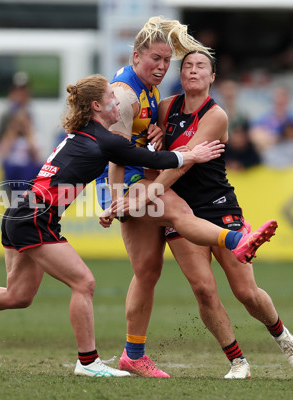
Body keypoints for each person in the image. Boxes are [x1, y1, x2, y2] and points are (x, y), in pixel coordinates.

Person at [0, 74, 224, 377]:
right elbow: (152, 159)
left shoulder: (89, 133)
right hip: (34, 215)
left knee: (18, 295)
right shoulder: (104, 138)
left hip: (23, 211)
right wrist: (191, 154)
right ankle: (88, 362)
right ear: (97, 106)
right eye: (112, 97)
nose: (117, 102)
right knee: (84, 282)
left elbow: (137, 155)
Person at [95, 16, 277, 379]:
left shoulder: (150, 90)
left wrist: (153, 137)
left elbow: (136, 138)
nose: (162, 67)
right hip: (125, 180)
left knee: (147, 270)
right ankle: (238, 239)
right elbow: (114, 154)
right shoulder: (126, 94)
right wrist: (114, 202)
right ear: (135, 57)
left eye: (167, 60)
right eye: (155, 60)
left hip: (138, 176)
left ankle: (133, 355)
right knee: (178, 210)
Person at [117, 51, 293, 379]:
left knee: (245, 292)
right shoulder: (165, 107)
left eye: (200, 66)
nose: (192, 70)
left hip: (217, 205)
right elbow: (152, 148)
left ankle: (280, 334)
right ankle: (238, 361)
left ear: (212, 77)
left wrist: (149, 192)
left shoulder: (216, 115)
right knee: (203, 289)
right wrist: (156, 139)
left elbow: (186, 161)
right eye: (187, 66)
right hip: (180, 209)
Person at [249, 86, 293, 155]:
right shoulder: (264, 118)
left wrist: (274, 139)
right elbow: (253, 134)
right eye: (278, 96)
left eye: (283, 96)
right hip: (267, 153)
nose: (280, 99)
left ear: (288, 99)